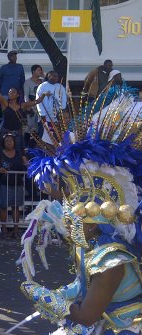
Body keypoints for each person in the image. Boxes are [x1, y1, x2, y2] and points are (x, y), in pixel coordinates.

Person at [18, 87, 141, 335]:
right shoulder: (92, 246)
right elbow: (83, 285)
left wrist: (48, 300)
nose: (70, 221)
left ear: (94, 222)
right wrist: (60, 294)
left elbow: (86, 316)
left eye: (77, 217)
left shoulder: (111, 260)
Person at [0, 76, 50, 153]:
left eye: (13, 92)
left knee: (18, 152)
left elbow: (37, 101)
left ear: (18, 95)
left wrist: (44, 94)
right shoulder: (5, 104)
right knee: (3, 152)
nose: (10, 93)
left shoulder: (22, 105)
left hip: (17, 133)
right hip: (5, 132)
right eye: (9, 92)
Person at [0, 133, 28, 238]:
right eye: (7, 141)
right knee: (3, 206)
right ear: (4, 143)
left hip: (17, 184)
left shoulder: (19, 153)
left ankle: (16, 230)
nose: (9, 142)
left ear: (14, 142)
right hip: (4, 184)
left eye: (11, 140)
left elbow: (27, 165)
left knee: (15, 207)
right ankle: (4, 230)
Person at [35, 71, 67, 146]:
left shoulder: (60, 87)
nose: (56, 78)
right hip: (45, 117)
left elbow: (63, 100)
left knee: (57, 138)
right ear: (48, 76)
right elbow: (38, 101)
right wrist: (42, 114)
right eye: (54, 76)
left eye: (57, 76)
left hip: (57, 117)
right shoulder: (42, 86)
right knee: (45, 138)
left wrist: (61, 112)